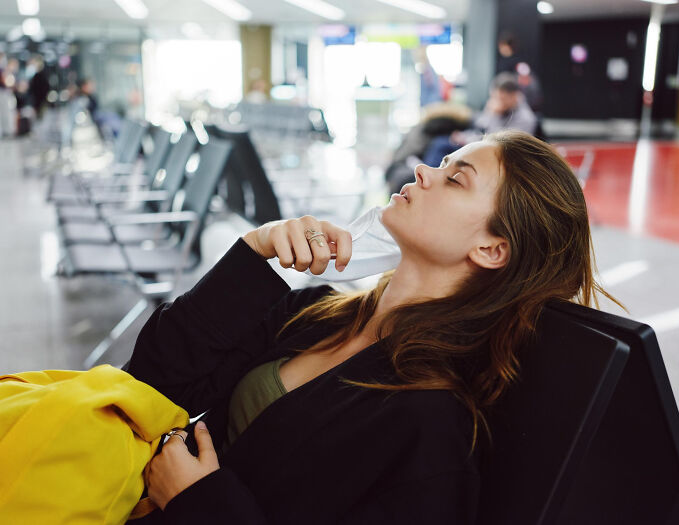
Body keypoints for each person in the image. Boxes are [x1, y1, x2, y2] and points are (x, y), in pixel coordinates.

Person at [126, 130, 615, 524]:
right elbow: (151, 379)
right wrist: (257, 251)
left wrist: (198, 503)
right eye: (441, 165)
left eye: (455, 179)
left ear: (491, 249)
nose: (423, 171)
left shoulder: (433, 425)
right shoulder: (315, 312)